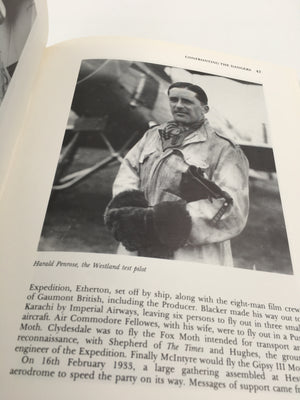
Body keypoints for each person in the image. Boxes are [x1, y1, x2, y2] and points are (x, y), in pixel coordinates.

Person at [105, 82, 249, 267]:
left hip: (190, 251)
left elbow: (232, 206)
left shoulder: (224, 149)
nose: (178, 105)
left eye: (187, 101)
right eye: (174, 99)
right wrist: (130, 211)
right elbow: (129, 171)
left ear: (204, 109)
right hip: (139, 238)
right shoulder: (152, 136)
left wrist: (167, 222)